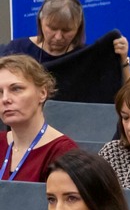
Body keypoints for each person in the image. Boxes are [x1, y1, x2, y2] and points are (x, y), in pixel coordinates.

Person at [1, 0, 130, 76]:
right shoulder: (16, 50)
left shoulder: (86, 58)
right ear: (41, 21)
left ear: (78, 27)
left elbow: (127, 96)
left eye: (66, 30)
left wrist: (123, 60)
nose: (58, 37)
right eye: (52, 28)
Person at [0, 54, 77, 182]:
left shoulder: (63, 152)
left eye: (16, 89)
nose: (5, 99)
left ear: (42, 93)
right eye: (0, 92)